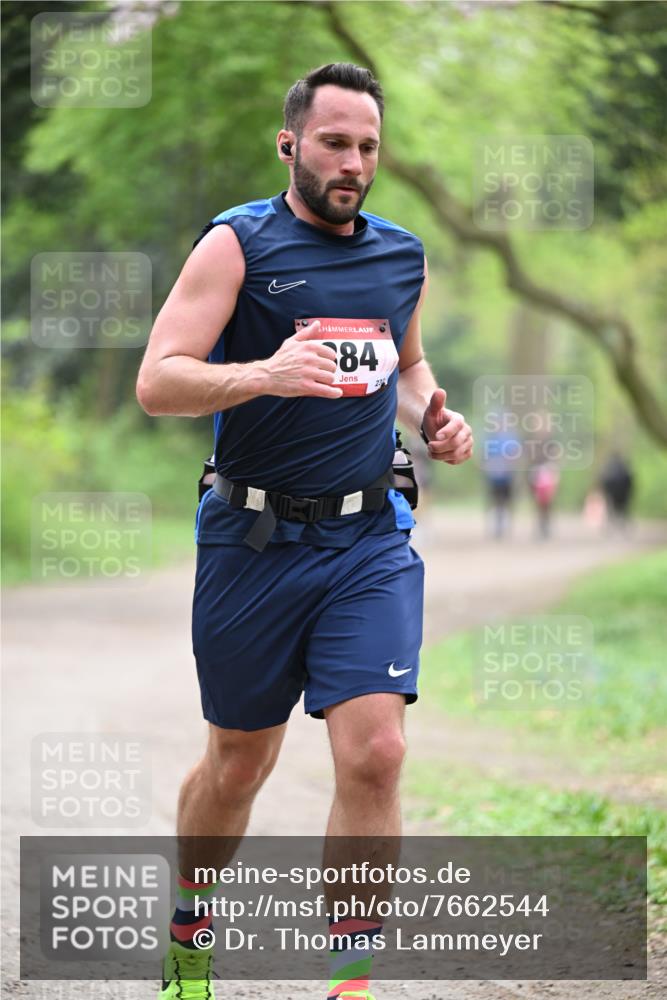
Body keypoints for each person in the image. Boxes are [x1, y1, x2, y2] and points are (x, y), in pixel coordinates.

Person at [136, 62, 473, 1000]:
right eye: (333, 142)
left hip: (367, 541)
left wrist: (433, 417)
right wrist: (262, 374)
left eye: (367, 146)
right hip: (250, 542)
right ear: (290, 145)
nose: (352, 162)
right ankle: (191, 931)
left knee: (377, 753)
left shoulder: (400, 255)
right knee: (239, 762)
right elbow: (159, 380)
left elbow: (406, 365)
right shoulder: (235, 244)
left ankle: (348, 982)